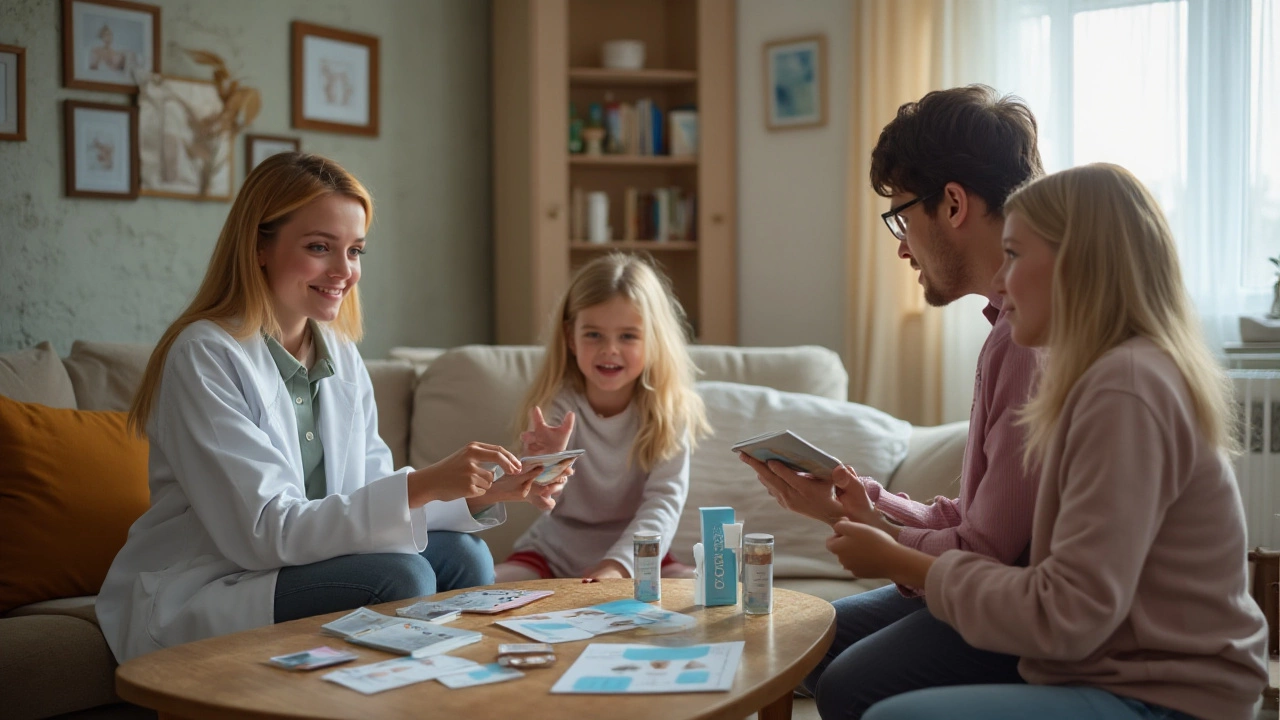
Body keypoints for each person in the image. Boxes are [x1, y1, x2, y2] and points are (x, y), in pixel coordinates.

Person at [829, 162, 1269, 720]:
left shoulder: (1125, 390)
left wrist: (902, 558)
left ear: (1078, 266)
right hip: (1107, 668)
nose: (996, 282)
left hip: (1167, 697)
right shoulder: (1105, 377)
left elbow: (1067, 610)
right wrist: (883, 527)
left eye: (1013, 256)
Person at [96, 153, 564, 663]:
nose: (344, 271)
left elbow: (367, 497)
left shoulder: (338, 353)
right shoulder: (205, 354)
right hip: (219, 580)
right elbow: (263, 534)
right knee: (400, 575)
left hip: (300, 562)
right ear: (259, 247)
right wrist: (427, 481)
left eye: (355, 250)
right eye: (320, 247)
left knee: (466, 555)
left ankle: (442, 699)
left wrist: (486, 491)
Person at [740, 84, 1045, 717]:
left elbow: (985, 553)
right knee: (804, 642)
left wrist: (873, 531)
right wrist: (861, 501)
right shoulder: (1004, 330)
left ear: (954, 204)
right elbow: (978, 518)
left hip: (1016, 605)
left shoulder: (1028, 337)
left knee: (850, 683)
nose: (902, 245)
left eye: (902, 217)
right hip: (989, 575)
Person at [493, 252, 710, 582]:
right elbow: (544, 497)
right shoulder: (555, 403)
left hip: (638, 553)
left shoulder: (669, 410)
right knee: (488, 582)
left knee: (701, 585)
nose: (610, 349)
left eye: (628, 336)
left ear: (654, 339)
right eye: (594, 334)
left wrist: (619, 566)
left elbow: (664, 502)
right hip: (551, 553)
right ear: (570, 337)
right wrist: (543, 468)